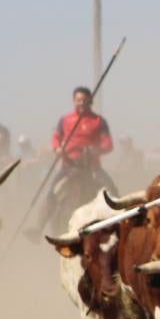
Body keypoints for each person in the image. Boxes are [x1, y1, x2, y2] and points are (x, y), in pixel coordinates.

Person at [35, 87, 116, 234]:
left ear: (90, 101)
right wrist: (57, 148)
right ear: (74, 101)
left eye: (85, 100)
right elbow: (55, 138)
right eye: (79, 100)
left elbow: (108, 144)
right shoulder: (65, 120)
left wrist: (94, 149)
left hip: (92, 168)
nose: (82, 103)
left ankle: (122, 222)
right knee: (52, 192)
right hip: (69, 167)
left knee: (112, 191)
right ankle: (38, 228)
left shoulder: (98, 121)